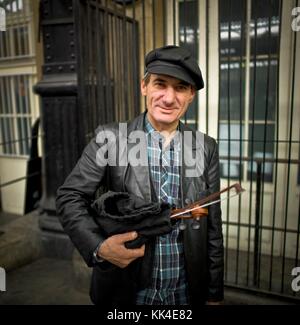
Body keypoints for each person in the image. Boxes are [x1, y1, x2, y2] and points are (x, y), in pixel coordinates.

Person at [56, 45, 224, 306]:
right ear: (144, 86)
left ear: (191, 94)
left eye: (180, 87)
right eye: (160, 84)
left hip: (185, 293)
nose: (169, 98)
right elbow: (70, 196)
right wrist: (99, 247)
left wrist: (213, 294)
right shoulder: (110, 139)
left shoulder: (206, 147)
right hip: (127, 293)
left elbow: (211, 225)